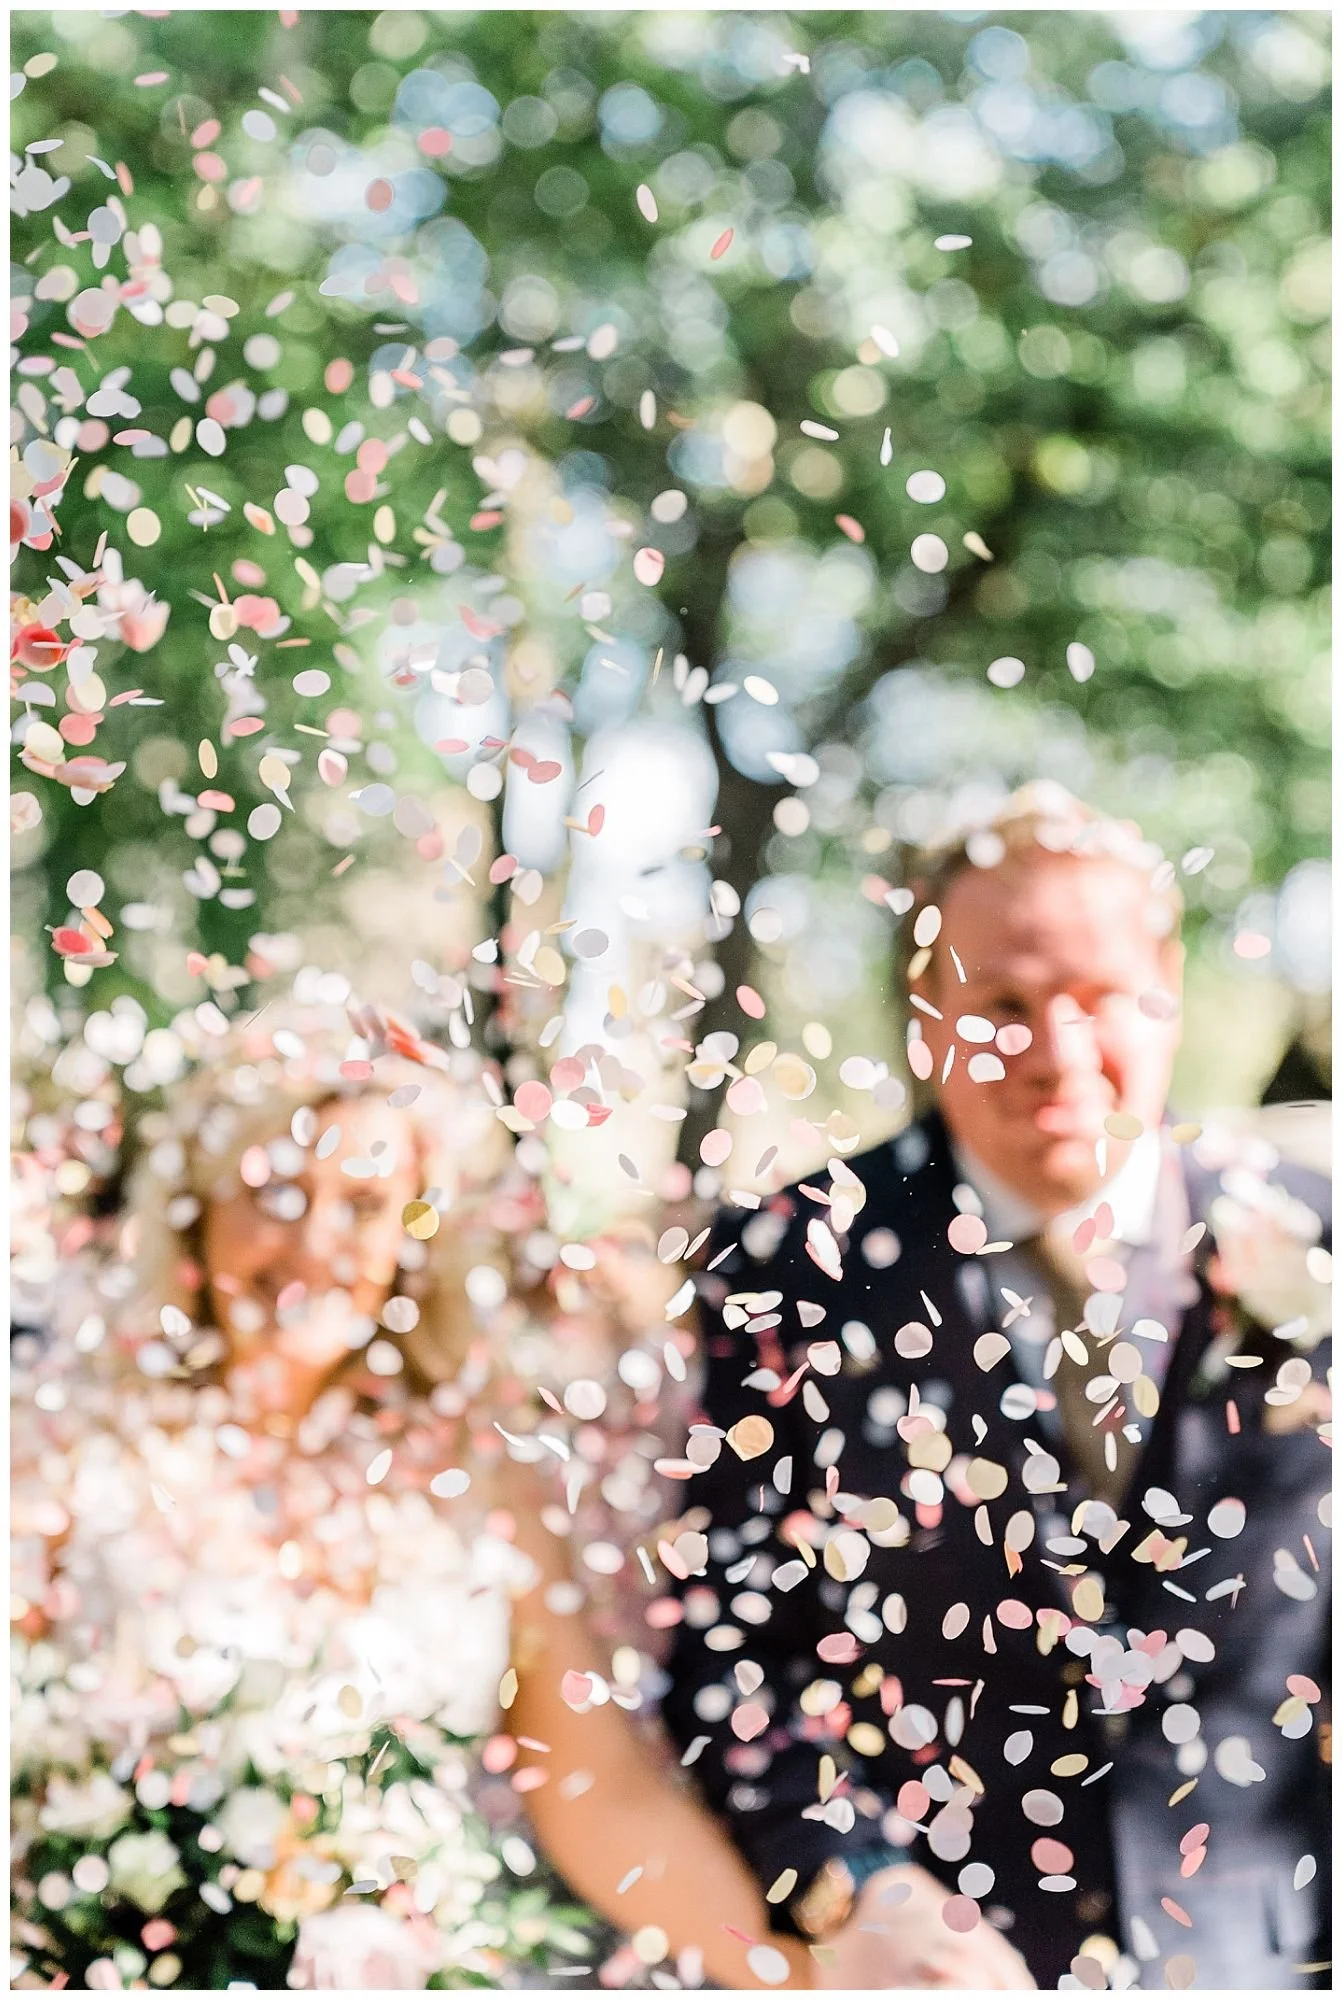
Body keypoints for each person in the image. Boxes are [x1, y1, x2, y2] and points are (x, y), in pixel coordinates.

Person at [661, 785, 1331, 1991]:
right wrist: (853, 1880)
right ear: (926, 1008)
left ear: (1167, 983)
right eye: (1005, 1007)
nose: (1060, 1053)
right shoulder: (782, 1261)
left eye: (1099, 999)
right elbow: (733, 1643)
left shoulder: (1317, 1236)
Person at [11, 998, 810, 1991]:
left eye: (361, 1202)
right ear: (197, 1204)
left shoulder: (480, 1476)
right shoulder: (64, 1452)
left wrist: (797, 1977)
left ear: (409, 1236)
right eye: (276, 1190)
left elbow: (596, 1788)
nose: (314, 1245)